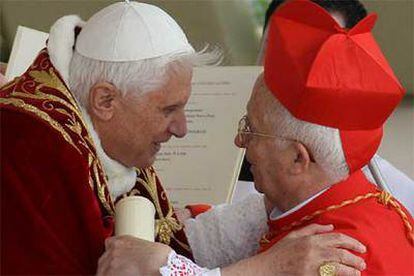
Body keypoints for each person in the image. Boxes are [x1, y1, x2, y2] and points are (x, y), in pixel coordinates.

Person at [1, 1, 366, 275]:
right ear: (106, 100)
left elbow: (165, 245)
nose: (181, 128)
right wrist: (263, 270)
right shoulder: (28, 149)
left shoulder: (96, 126)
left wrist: (287, 201)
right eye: (168, 110)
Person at [234, 0, 413, 274]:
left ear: (298, 158)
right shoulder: (352, 201)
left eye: (251, 129)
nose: (240, 140)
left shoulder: (330, 257)